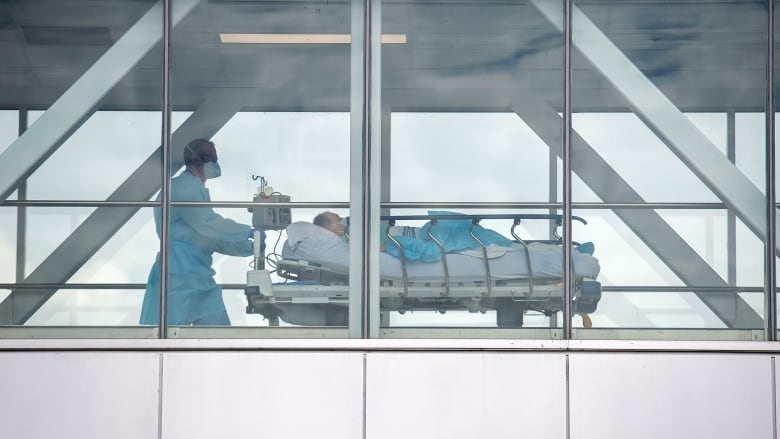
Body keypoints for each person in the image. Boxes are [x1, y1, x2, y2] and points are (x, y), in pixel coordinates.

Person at [140, 138, 263, 326]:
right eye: (211, 159)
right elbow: (208, 225)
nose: (215, 164)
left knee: (217, 335)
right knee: (173, 337)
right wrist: (246, 232)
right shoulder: (184, 188)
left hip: (197, 273)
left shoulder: (194, 187)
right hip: (179, 272)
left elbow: (208, 237)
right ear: (196, 159)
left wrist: (248, 246)